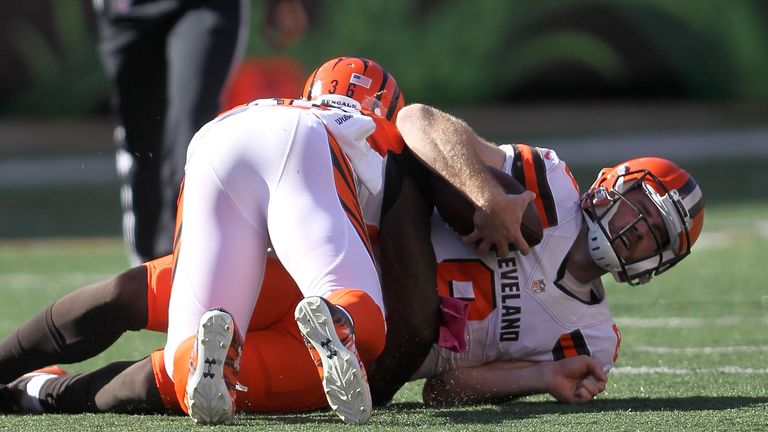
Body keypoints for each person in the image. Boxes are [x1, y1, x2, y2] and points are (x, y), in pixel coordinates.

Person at [0, 111, 704, 416]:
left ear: (658, 263)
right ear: (612, 184)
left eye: (653, 234)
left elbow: (444, 394)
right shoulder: (544, 185)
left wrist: (544, 375)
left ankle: (40, 396)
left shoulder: (594, 341)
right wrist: (488, 194)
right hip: (340, 260)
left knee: (197, 377)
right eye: (638, 206)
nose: (634, 228)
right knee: (140, 293)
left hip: (378, 358)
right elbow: (421, 122)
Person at [93, 0, 308, 265]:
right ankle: (149, 269)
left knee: (190, 136)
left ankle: (189, 268)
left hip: (204, 6)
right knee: (143, 144)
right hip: (128, 9)